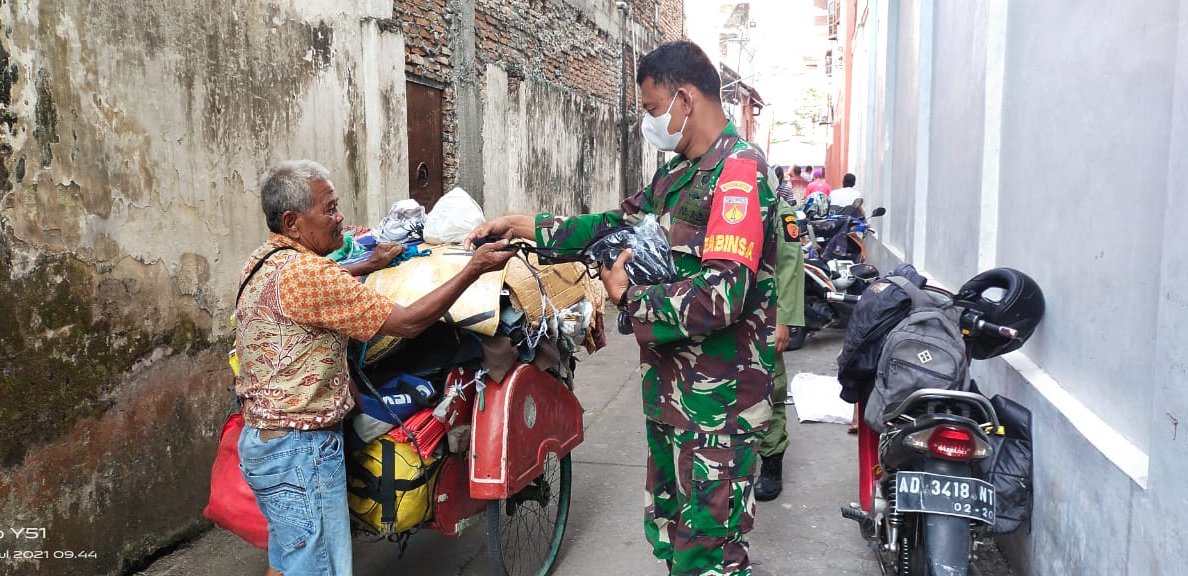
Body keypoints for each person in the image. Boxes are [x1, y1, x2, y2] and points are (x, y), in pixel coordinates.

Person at [466, 40, 778, 576]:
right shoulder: (679, 174)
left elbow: (721, 295)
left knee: (710, 554)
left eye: (654, 109)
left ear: (684, 99)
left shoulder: (738, 175)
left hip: (718, 408)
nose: (651, 122)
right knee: (674, 537)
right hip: (672, 396)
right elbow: (617, 224)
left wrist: (631, 298)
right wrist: (528, 226)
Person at [234, 160, 515, 576]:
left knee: (290, 559)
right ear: (293, 221)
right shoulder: (311, 274)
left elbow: (315, 287)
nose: (340, 217)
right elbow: (408, 322)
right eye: (329, 209)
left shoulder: (265, 260)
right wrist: (473, 270)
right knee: (320, 568)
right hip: (301, 451)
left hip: (263, 443)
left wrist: (366, 265)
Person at [756, 200, 805, 502]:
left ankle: (772, 463)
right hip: (725, 309)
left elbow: (789, 262)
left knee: (770, 387)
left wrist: (783, 318)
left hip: (765, 312)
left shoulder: (779, 207)